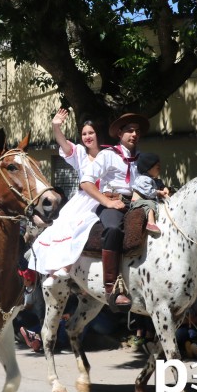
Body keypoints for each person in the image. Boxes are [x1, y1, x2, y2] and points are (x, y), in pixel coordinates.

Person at [79, 113, 149, 309]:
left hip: (138, 202)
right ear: (119, 133)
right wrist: (107, 203)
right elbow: (86, 182)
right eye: (129, 130)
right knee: (113, 229)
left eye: (137, 130)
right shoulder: (107, 154)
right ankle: (112, 288)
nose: (134, 134)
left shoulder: (141, 158)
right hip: (112, 201)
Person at [27, 108, 102, 279]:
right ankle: (53, 269)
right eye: (84, 134)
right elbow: (64, 144)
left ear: (98, 134)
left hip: (101, 198)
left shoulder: (109, 153)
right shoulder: (81, 153)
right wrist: (56, 127)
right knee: (60, 225)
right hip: (83, 199)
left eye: (91, 132)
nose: (87, 136)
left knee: (82, 225)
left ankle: (68, 267)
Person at [130, 152, 169, 235]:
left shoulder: (155, 180)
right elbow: (148, 192)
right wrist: (159, 192)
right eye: (157, 167)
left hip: (149, 200)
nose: (159, 169)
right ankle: (150, 223)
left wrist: (165, 189)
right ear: (148, 168)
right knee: (150, 204)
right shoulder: (142, 179)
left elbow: (161, 185)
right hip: (139, 201)